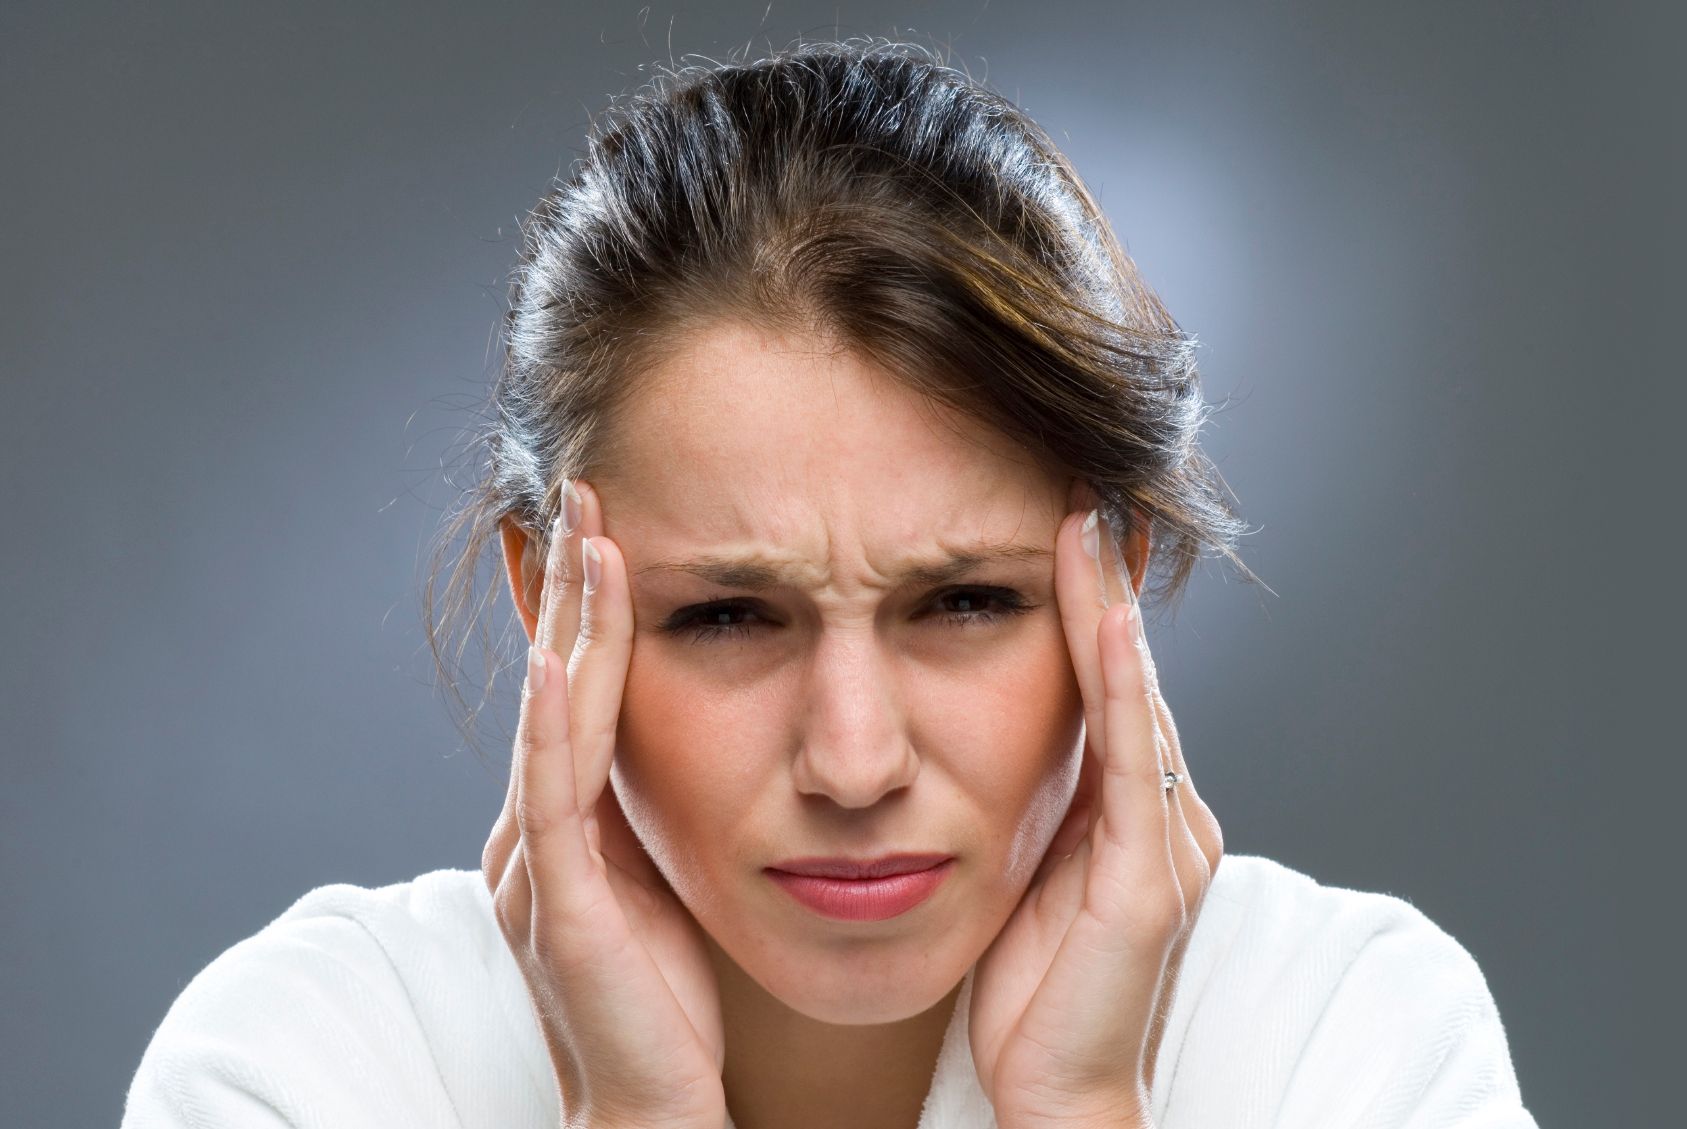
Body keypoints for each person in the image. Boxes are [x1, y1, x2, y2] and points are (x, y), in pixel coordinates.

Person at [121, 38, 1539, 1129]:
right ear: (547, 601)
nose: (853, 759)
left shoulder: (1345, 1038)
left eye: (964, 601)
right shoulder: (310, 1063)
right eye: (729, 616)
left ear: (1125, 574)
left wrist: (1079, 1113)